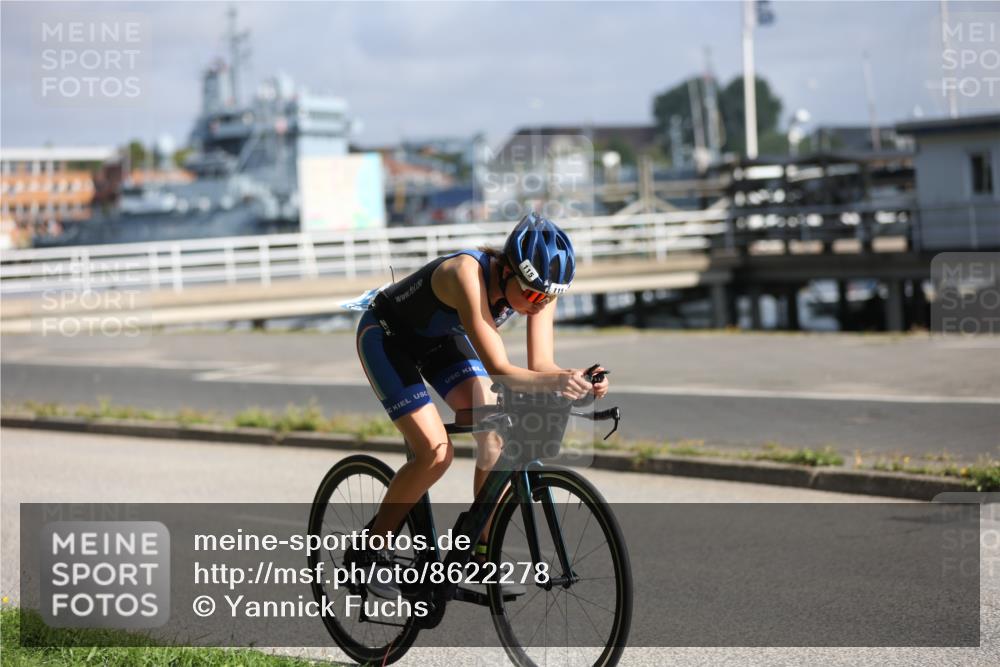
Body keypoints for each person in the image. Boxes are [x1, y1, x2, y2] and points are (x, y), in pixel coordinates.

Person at [349, 212, 609, 598]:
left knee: (495, 430)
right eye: (535, 295)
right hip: (387, 339)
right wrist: (557, 381)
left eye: (552, 297)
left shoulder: (539, 286)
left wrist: (579, 377)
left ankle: (479, 550)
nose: (541, 305)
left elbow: (540, 366)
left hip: (441, 342)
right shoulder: (464, 275)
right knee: (436, 453)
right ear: (506, 270)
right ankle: (367, 552)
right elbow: (501, 369)